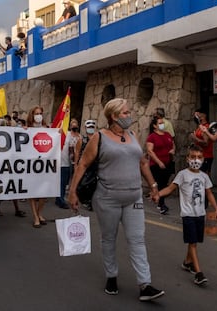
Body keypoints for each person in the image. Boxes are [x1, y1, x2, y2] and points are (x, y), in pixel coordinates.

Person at [68, 98, 165, 302]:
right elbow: (83, 164)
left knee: (137, 239)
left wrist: (154, 187)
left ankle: (145, 284)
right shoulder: (99, 137)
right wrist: (72, 192)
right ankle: (111, 276)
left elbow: (143, 163)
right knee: (109, 238)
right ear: (113, 116)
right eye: (125, 113)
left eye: (128, 112)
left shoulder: (132, 135)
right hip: (107, 199)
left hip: (134, 197)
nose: (129, 116)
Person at [158, 144, 217, 285]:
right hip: (188, 215)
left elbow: (209, 193)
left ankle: (187, 262)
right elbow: (170, 188)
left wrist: (215, 209)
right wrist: (158, 194)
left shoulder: (204, 176)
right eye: (193, 157)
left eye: (199, 157)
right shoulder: (183, 174)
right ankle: (198, 273)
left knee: (194, 241)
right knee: (192, 243)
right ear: (187, 158)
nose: (196, 160)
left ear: (203, 159)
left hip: (200, 214)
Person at [146, 116, 175, 214]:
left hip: (167, 162)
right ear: (154, 125)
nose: (162, 125)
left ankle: (158, 199)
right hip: (156, 164)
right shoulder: (152, 137)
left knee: (165, 183)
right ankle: (162, 204)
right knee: (160, 184)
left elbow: (173, 144)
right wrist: (158, 162)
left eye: (163, 123)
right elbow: (150, 151)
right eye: (160, 123)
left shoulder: (167, 135)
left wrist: (173, 150)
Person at [26, 106, 49, 228]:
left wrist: (57, 133)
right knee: (33, 192)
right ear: (32, 115)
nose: (39, 115)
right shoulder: (27, 128)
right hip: (31, 164)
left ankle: (39, 213)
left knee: (43, 193)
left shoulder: (47, 128)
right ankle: (35, 217)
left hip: (44, 164)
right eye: (36, 113)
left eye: (40, 113)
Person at [55, 118, 81, 209]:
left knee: (66, 182)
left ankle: (62, 198)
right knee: (61, 182)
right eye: (72, 125)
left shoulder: (74, 136)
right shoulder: (61, 134)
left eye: (75, 125)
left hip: (70, 162)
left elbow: (74, 148)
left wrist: (74, 160)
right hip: (60, 161)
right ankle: (60, 200)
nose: (74, 126)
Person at [73, 119, 97, 210]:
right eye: (89, 127)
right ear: (85, 128)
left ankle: (91, 201)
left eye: (92, 127)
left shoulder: (96, 139)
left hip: (94, 165)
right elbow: (77, 153)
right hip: (84, 165)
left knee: (93, 184)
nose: (90, 129)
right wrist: (76, 165)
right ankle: (83, 199)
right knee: (83, 183)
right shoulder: (81, 140)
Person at [190, 110, 215, 175]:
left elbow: (206, 143)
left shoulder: (206, 127)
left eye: (197, 114)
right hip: (199, 155)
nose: (196, 116)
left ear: (204, 115)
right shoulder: (199, 127)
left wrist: (195, 138)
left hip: (206, 156)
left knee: (204, 176)